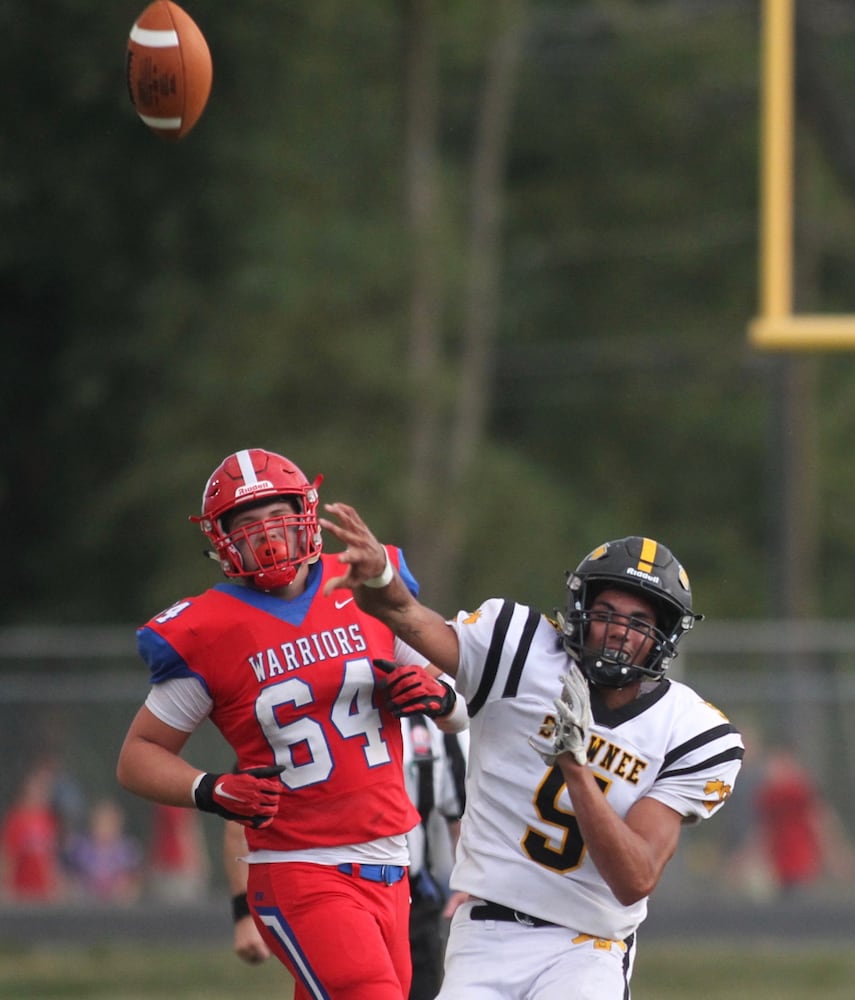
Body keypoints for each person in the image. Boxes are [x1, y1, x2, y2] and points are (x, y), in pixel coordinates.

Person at [320, 508, 745, 1000]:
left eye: (639, 621)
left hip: (587, 946)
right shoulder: (519, 648)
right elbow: (407, 617)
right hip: (484, 930)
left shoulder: (692, 731)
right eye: (606, 613)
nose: (618, 631)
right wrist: (381, 574)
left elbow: (635, 878)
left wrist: (575, 766)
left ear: (663, 635)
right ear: (582, 609)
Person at [116, 448, 467, 1000]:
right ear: (222, 540)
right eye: (248, 526)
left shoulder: (366, 584)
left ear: (306, 515)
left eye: (277, 519)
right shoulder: (209, 629)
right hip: (299, 864)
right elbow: (139, 755)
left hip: (391, 859)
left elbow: (456, 708)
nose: (267, 537)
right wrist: (209, 788)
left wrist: (438, 697)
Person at [224, 715, 469, 999]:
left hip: (407, 895)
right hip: (326, 883)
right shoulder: (303, 710)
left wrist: (471, 881)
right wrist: (242, 912)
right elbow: (241, 816)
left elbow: (460, 815)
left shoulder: (429, 720)